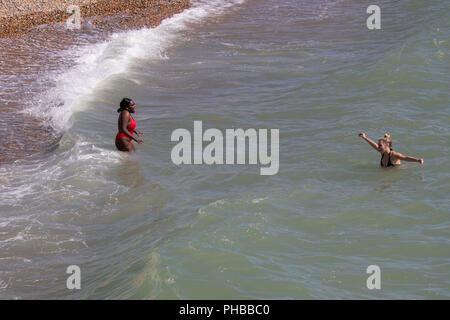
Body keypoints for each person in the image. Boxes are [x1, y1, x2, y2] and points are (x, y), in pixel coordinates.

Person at [358, 132, 423, 167]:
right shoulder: (382, 152)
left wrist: (417, 160)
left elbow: (405, 158)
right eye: (379, 145)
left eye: (380, 145)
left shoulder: (394, 154)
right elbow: (373, 145)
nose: (378, 147)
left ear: (387, 145)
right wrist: (365, 138)